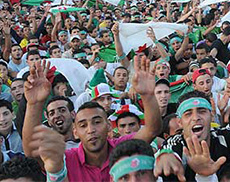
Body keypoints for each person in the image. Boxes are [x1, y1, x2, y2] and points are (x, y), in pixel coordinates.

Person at [22, 57, 162, 182]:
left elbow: (152, 130)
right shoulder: (66, 159)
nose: (91, 130)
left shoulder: (123, 148)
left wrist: (148, 96)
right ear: (75, 132)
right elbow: (31, 152)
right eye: (83, 125)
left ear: (108, 125)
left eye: (97, 122)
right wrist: (34, 104)